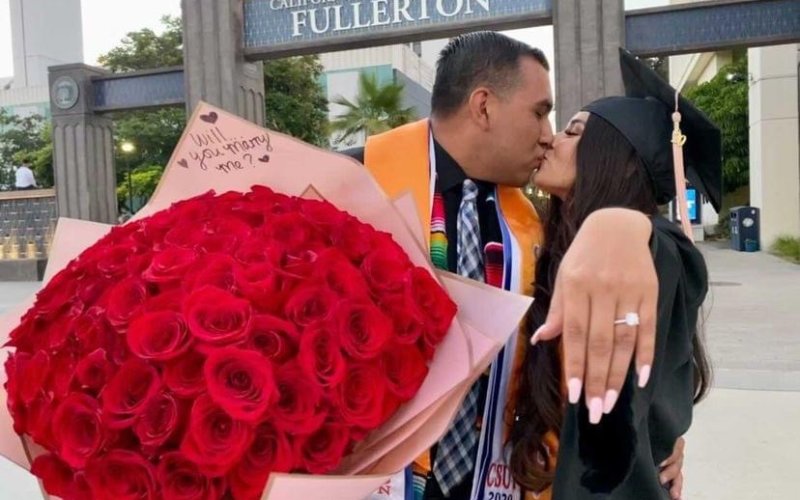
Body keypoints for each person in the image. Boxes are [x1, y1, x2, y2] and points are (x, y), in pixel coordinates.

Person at [348, 32, 684, 500]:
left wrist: (659, 431)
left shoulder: (537, 229)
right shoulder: (347, 187)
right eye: (540, 112)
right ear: (483, 107)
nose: (548, 136)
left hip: (498, 479)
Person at [511, 48, 718, 499]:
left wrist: (620, 223)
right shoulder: (549, 244)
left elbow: (657, 244)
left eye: (573, 131)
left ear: (613, 156)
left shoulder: (655, 252)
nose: (552, 140)